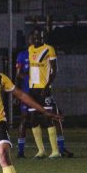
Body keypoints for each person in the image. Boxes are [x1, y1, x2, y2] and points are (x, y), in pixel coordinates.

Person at [27, 27, 61, 159]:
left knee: (47, 118)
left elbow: (54, 70)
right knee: (33, 119)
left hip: (44, 89)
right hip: (32, 89)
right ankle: (41, 151)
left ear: (42, 38)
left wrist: (47, 86)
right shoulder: (30, 49)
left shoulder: (49, 49)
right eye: (34, 37)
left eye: (38, 37)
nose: (36, 39)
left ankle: (55, 151)